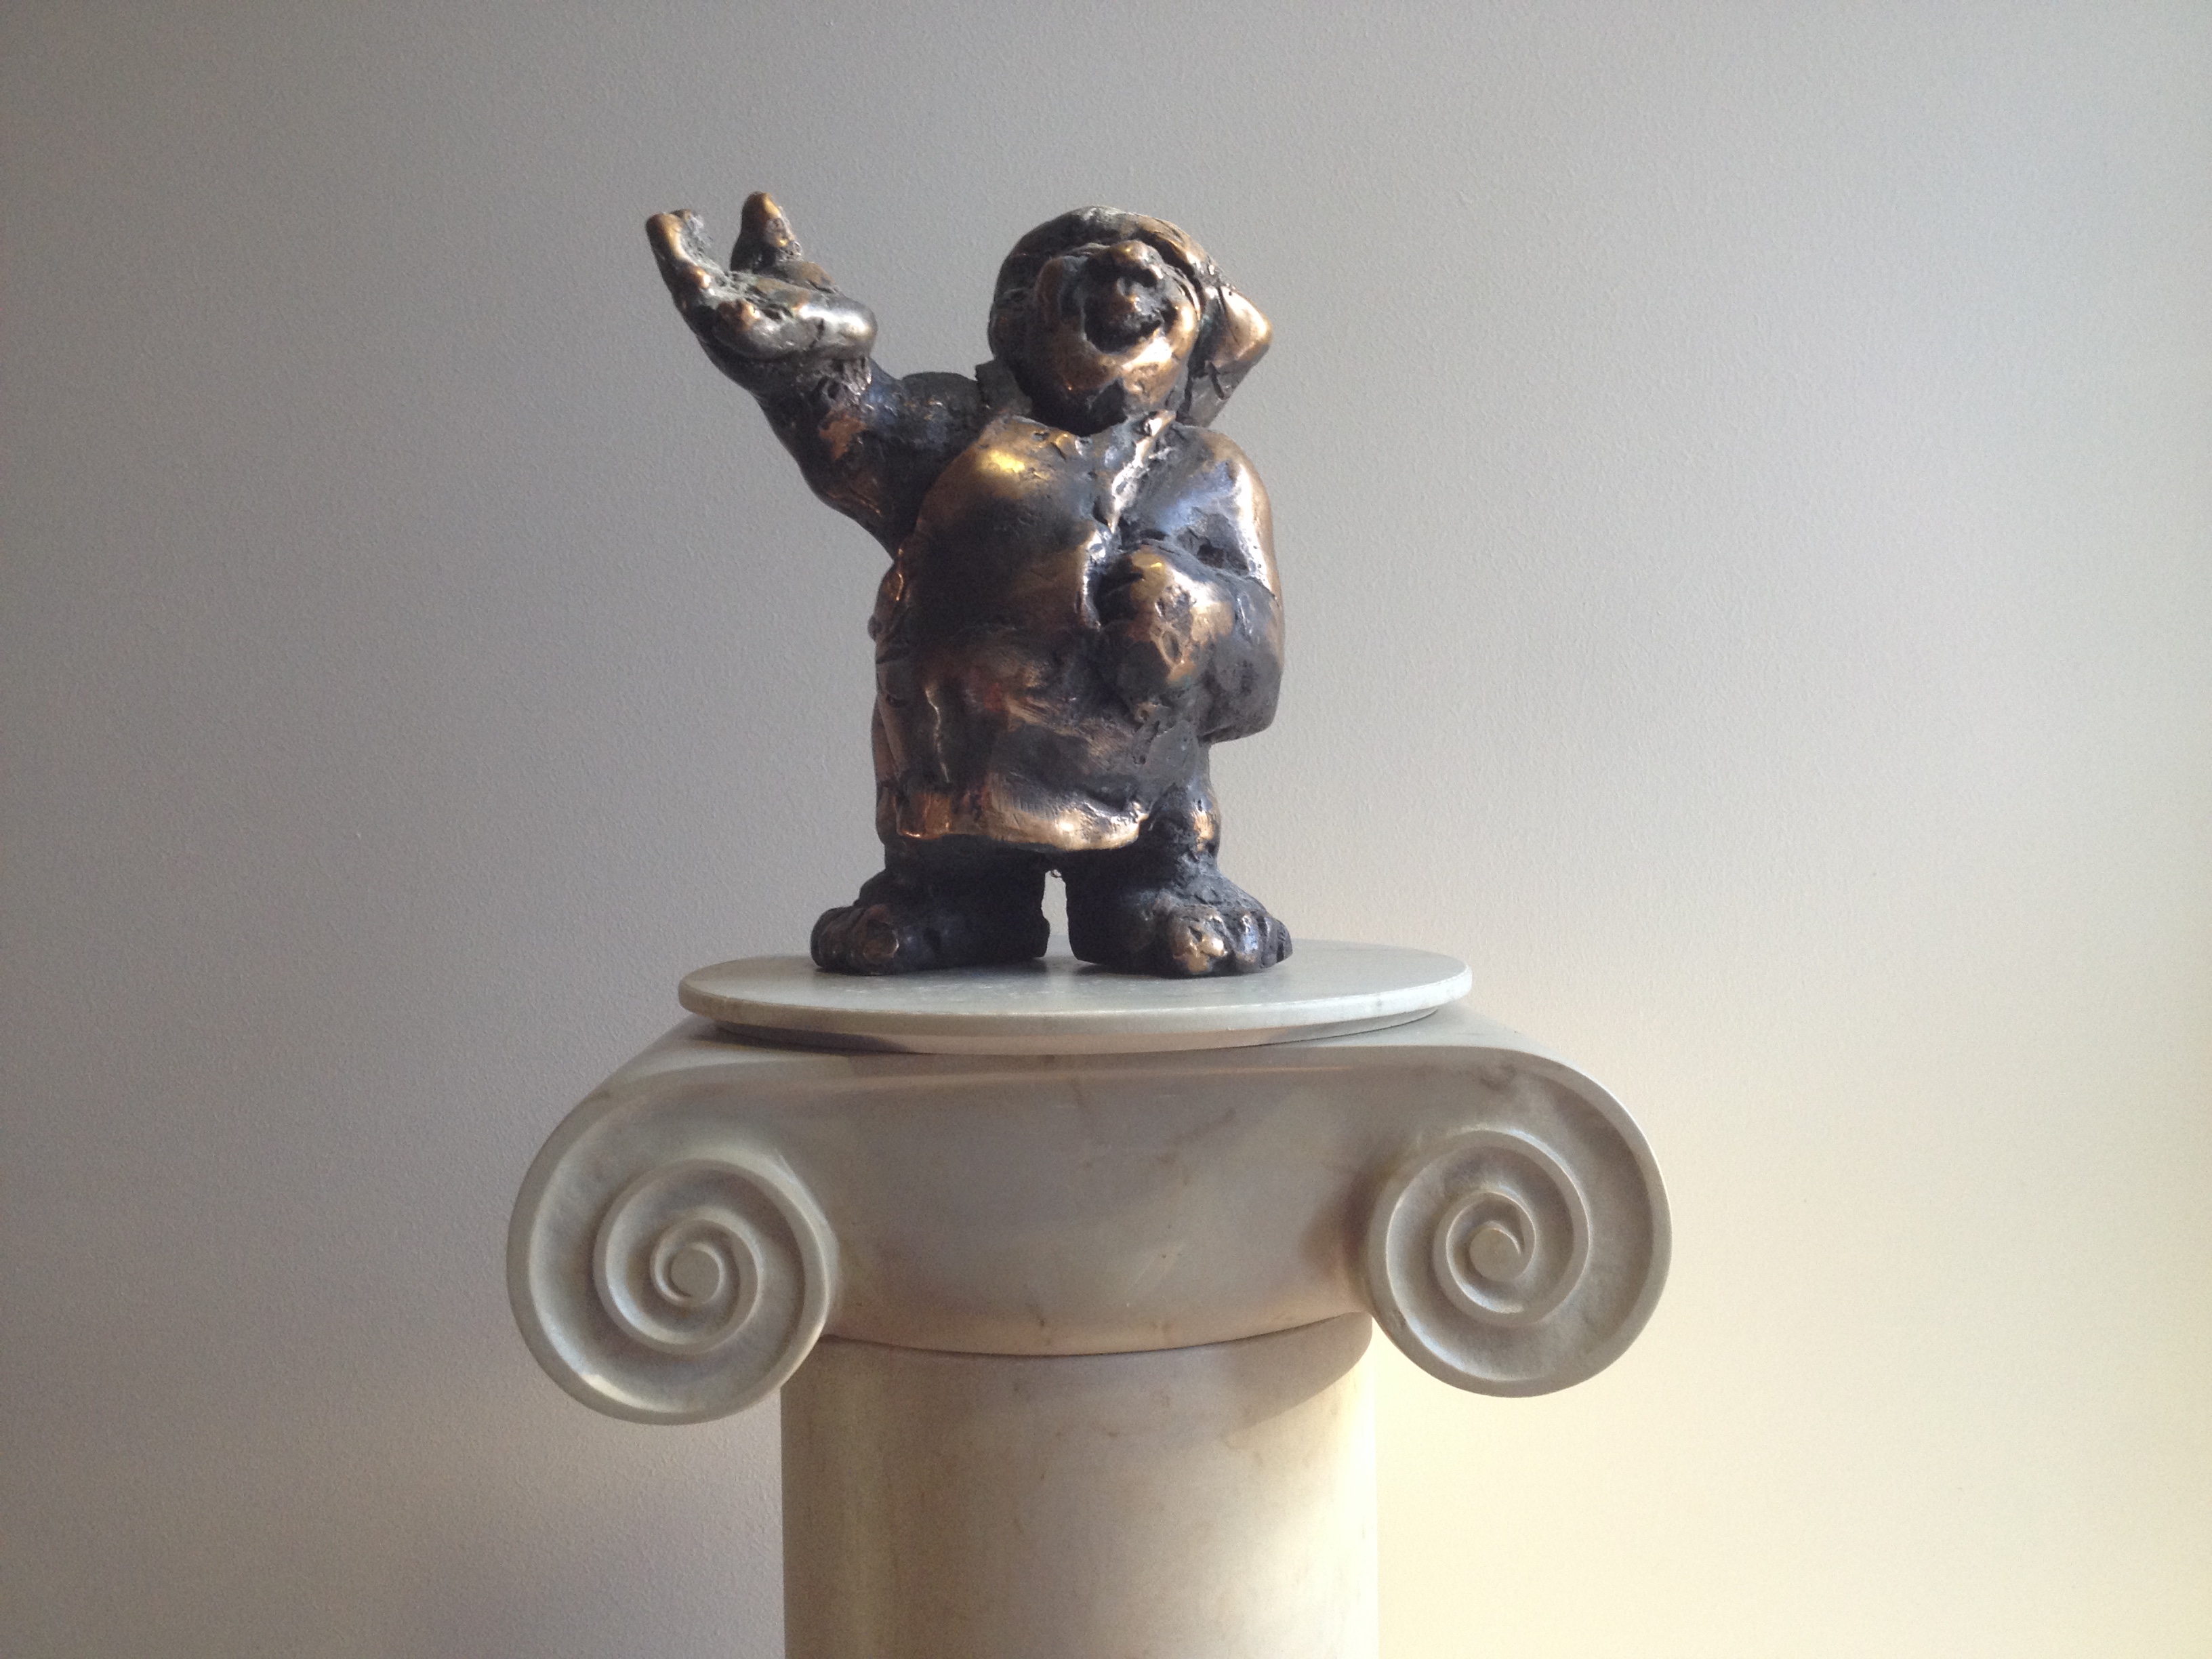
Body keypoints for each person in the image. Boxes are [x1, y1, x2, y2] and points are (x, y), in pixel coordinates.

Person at [649, 194, 1288, 977]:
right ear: (1019, 318)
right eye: (1087, 260)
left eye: (1167, 271)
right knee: (942, 874)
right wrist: (809, 362)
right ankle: (953, 900)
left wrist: (1203, 619)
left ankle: (1157, 889)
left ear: (1203, 339)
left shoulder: (1212, 474)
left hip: (1148, 803)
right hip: (956, 790)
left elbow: (1258, 677)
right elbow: (852, 433)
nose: (1128, 268)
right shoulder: (951, 428)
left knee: (1161, 901)